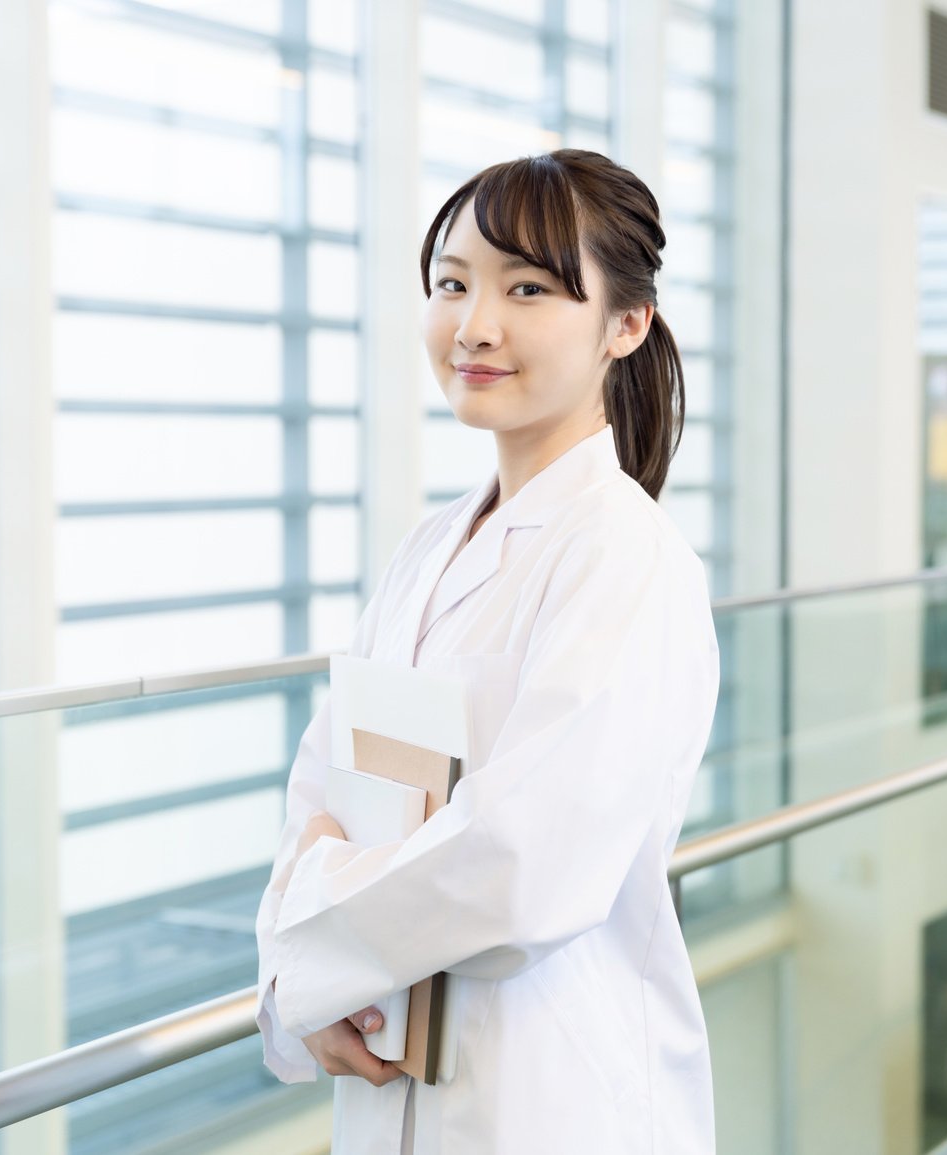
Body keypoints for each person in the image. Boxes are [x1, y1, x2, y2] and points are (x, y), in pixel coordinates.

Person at [253, 149, 722, 1153]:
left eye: (527, 289)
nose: (474, 326)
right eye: (453, 285)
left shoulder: (626, 558)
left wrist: (314, 946)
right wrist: (305, 988)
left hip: (556, 1101)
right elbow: (318, 796)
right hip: (393, 1073)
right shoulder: (426, 550)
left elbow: (523, 865)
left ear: (625, 325)